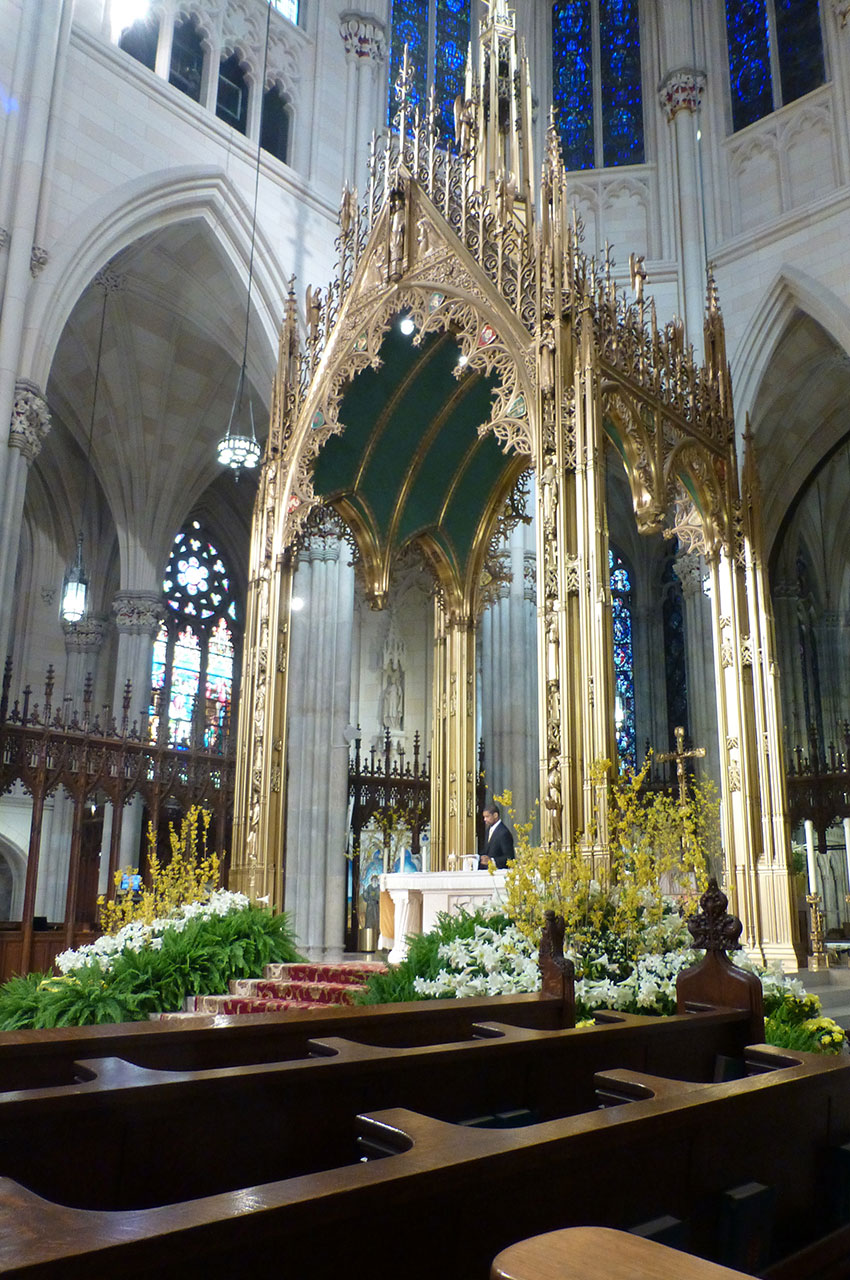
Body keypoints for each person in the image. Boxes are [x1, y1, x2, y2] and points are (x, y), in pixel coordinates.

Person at [478, 804, 515, 869]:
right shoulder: (488, 830)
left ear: (495, 815)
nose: (485, 819)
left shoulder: (504, 832)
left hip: (499, 872)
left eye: (487, 816)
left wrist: (492, 861)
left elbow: (509, 857)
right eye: (484, 817)